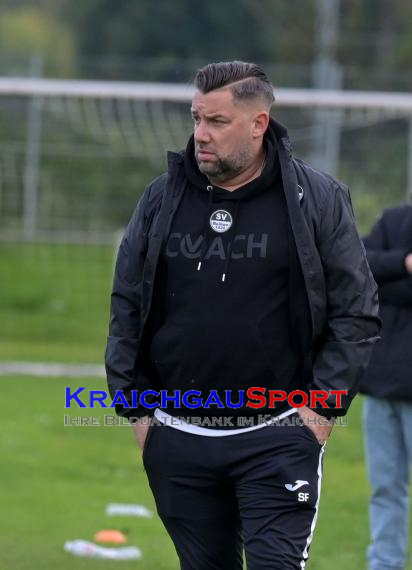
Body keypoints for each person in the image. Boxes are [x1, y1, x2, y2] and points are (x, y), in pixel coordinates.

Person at [105, 61, 380, 569]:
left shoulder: (317, 199)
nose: (200, 136)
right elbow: (127, 304)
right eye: (196, 119)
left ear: (258, 124)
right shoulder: (162, 198)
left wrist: (320, 412)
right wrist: (139, 412)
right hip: (178, 434)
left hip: (279, 433)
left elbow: (356, 311)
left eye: (216, 122)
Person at [360, 204, 412, 570]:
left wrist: (388, 283)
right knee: (385, 488)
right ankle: (385, 564)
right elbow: (358, 263)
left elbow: (377, 281)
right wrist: (405, 264)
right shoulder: (395, 219)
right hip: (380, 385)